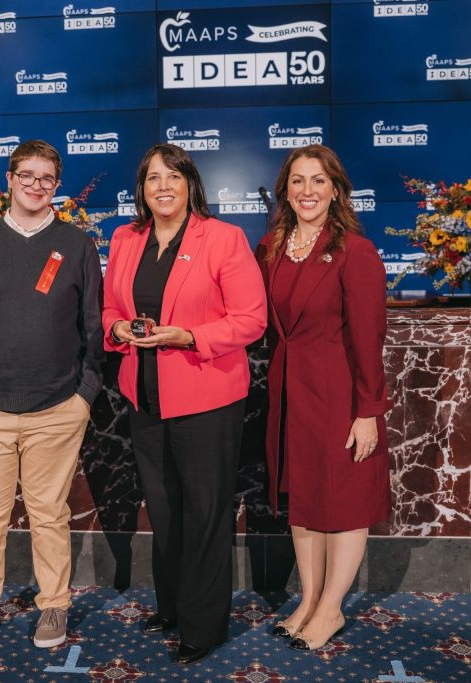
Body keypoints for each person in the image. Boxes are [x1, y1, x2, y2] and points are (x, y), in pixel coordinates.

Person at [103, 143, 267, 665]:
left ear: (191, 184)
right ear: (142, 189)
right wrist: (118, 328)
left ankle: (203, 625)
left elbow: (252, 318)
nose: (164, 186)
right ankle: (172, 606)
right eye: (154, 178)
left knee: (204, 513)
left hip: (206, 399)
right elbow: (109, 308)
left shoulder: (223, 238)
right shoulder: (126, 239)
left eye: (174, 176)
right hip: (144, 398)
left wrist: (189, 336)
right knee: (165, 510)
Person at [0, 140, 104, 650]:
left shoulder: (76, 245)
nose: (36, 185)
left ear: (57, 185)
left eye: (46, 178)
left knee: (50, 516)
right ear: (9, 179)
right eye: (26, 175)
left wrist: (84, 395)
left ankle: (54, 605)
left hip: (56, 409)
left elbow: (93, 328)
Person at [257, 144, 392, 652]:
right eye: (297, 180)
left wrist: (369, 412)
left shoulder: (356, 252)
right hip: (290, 395)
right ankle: (309, 599)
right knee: (303, 499)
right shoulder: (270, 247)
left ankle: (332, 608)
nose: (307, 190)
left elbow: (368, 339)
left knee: (343, 502)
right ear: (285, 190)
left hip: (339, 397)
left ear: (336, 190)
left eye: (318, 181)